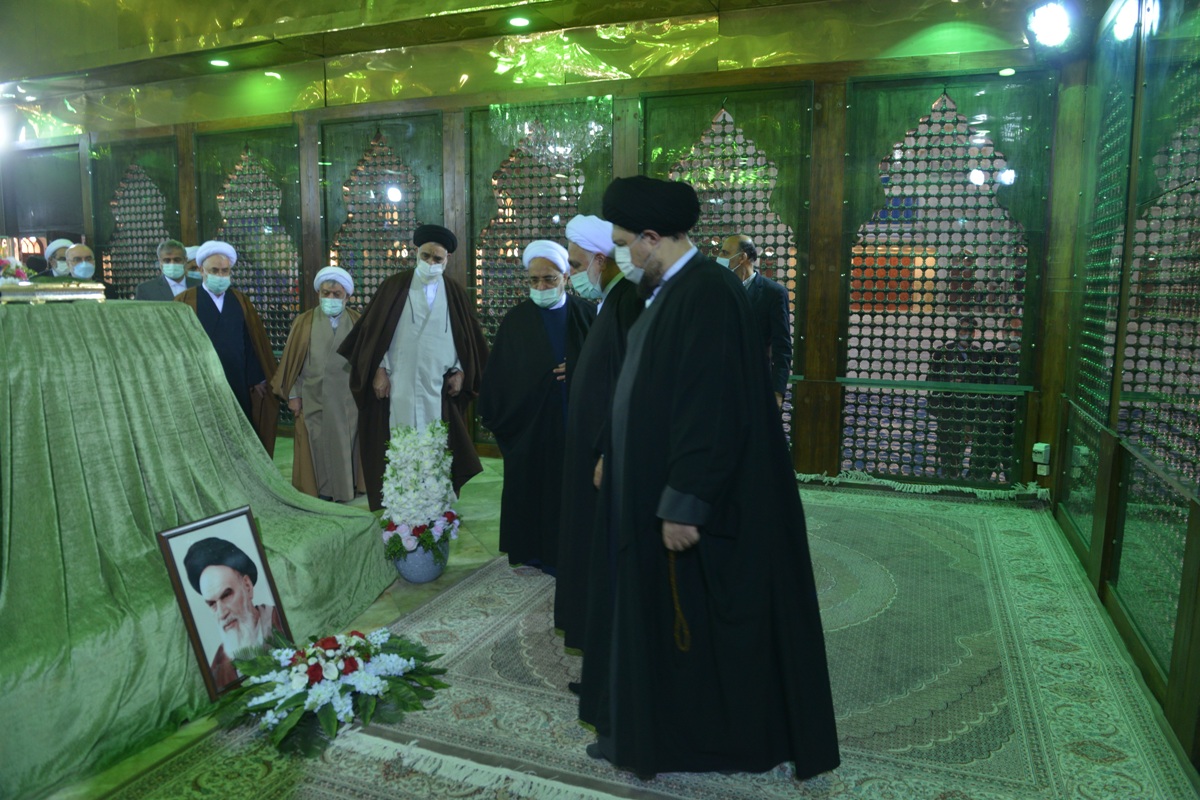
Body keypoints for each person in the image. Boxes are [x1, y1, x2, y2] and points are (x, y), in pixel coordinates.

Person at [579, 175, 839, 780]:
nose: (622, 255)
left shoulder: (708, 292)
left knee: (701, 626)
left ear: (651, 238)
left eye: (624, 242)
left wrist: (685, 501)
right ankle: (651, 733)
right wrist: (614, 450)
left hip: (702, 505)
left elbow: (712, 408)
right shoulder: (669, 289)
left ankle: (695, 744)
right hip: (653, 487)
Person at [338, 224, 488, 510]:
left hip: (437, 387)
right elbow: (373, 335)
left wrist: (461, 371)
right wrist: (379, 370)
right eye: (426, 256)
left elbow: (467, 340)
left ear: (448, 259)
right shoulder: (394, 286)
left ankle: (436, 501)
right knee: (400, 441)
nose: (431, 263)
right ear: (415, 252)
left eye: (437, 258)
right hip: (399, 383)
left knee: (436, 443)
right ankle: (401, 502)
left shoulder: (455, 293)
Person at [479, 240, 595, 572]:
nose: (541, 287)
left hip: (575, 424)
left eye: (549, 279)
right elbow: (500, 377)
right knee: (533, 489)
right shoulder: (516, 320)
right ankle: (534, 552)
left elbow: (607, 364)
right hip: (530, 427)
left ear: (566, 277)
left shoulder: (586, 314)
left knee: (572, 491)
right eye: (534, 280)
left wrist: (578, 369)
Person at [554, 214, 642, 652]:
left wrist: (608, 449)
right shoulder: (610, 300)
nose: (571, 274)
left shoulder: (628, 301)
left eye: (575, 264)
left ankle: (608, 650)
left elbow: (630, 384)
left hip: (607, 452)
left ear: (601, 260)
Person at [175, 240, 279, 456]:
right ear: (202, 270)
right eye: (215, 270)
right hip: (201, 380)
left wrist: (257, 378)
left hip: (237, 378)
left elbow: (252, 341)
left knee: (239, 431)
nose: (220, 275)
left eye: (225, 271)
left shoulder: (241, 301)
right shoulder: (185, 301)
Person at [271, 266, 363, 502]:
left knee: (345, 443)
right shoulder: (304, 322)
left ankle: (346, 488)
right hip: (312, 396)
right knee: (317, 444)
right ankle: (321, 489)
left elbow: (366, 362)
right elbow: (293, 362)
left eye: (336, 294)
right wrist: (294, 395)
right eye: (326, 293)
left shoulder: (357, 321)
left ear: (347, 296)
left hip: (347, 399)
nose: (330, 298)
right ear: (318, 294)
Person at [183, 537, 284, 689]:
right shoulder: (218, 669)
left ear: (247, 586)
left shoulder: (283, 621)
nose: (221, 613)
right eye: (212, 604)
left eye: (226, 595)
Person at [717, 234, 792, 406]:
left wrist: (777, 392)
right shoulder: (718, 290)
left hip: (754, 386)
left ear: (742, 257)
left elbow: (782, 347)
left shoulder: (773, 293)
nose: (719, 257)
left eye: (725, 252)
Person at [927, 315, 983, 480]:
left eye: (970, 330)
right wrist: (949, 382)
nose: (967, 333)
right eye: (964, 329)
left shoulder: (980, 355)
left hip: (968, 411)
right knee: (947, 451)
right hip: (947, 410)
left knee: (962, 448)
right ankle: (948, 479)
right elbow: (931, 380)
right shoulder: (943, 352)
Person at [135, 239, 199, 300]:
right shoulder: (146, 289)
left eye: (177, 260)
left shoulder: (200, 285)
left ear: (185, 260)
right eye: (167, 260)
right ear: (160, 262)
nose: (172, 263)